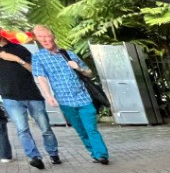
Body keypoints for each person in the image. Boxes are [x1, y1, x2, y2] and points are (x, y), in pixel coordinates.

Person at [31, 25, 110, 165]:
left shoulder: (69, 54)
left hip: (83, 98)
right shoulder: (38, 57)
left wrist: (78, 68)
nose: (44, 40)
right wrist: (48, 96)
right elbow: (41, 78)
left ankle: (101, 155)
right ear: (37, 39)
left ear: (53, 36)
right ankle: (94, 153)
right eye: (40, 37)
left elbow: (89, 72)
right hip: (65, 101)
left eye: (47, 36)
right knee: (81, 130)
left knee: (91, 128)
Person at [0, 29, 60, 169]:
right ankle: (34, 157)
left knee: (45, 128)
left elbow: (34, 70)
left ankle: (53, 153)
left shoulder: (18, 49)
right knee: (22, 129)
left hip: (32, 94)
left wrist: (16, 59)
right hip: (10, 98)